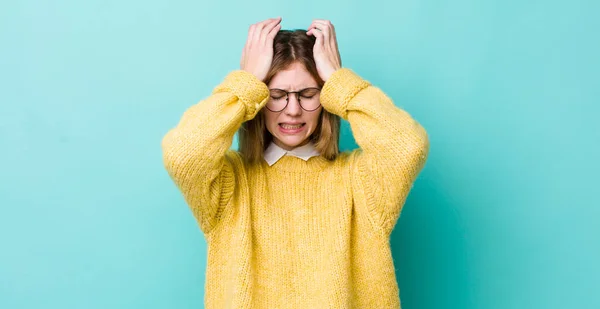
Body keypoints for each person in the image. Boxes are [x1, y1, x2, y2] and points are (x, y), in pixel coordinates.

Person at [162, 17, 430, 309]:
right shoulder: (230, 184)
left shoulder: (361, 180)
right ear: (261, 100)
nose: (293, 110)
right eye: (277, 96)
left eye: (308, 94)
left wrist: (340, 81)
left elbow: (407, 146)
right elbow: (183, 153)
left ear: (326, 97)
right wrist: (245, 83)